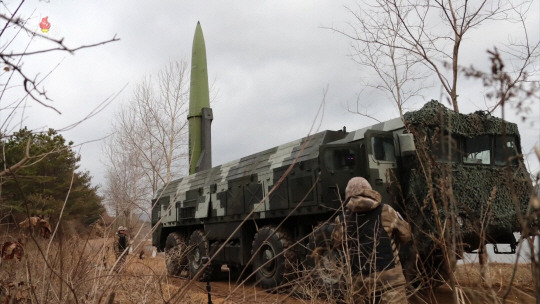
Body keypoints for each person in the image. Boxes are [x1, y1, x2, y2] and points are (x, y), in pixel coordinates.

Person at [332, 177, 411, 303]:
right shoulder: (387, 211)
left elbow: (338, 245)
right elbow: (406, 235)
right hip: (390, 282)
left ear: (348, 195)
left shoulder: (341, 220)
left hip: (360, 285)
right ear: (369, 191)